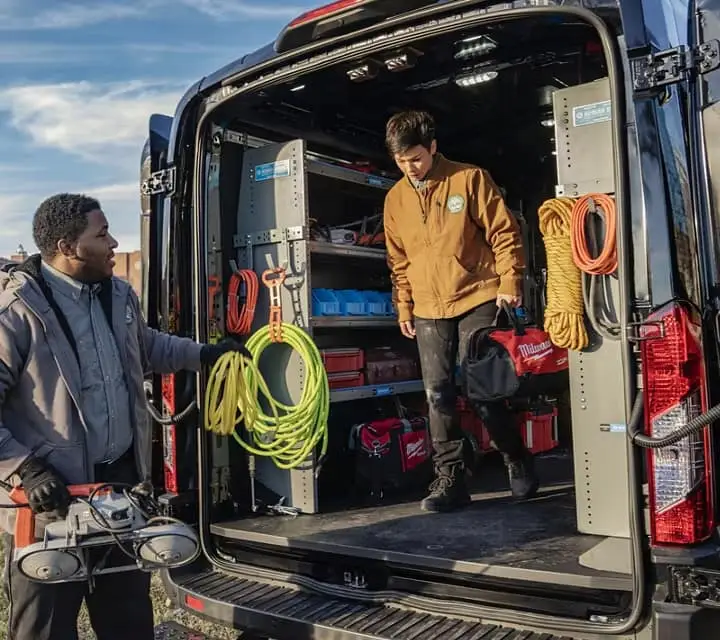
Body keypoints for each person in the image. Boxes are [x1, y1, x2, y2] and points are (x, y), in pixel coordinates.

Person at [0, 193, 247, 640]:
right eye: (102, 234)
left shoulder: (117, 294)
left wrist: (205, 355)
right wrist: (26, 470)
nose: (114, 243)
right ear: (68, 247)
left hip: (119, 494)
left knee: (128, 618)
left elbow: (147, 346)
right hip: (51, 503)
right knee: (45, 627)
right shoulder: (17, 312)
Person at [382, 110, 539, 513]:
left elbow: (504, 233)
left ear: (432, 148)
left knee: (483, 391)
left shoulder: (469, 178)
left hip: (477, 294)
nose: (409, 167)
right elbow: (397, 259)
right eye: (401, 161)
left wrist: (510, 282)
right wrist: (404, 303)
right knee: (437, 395)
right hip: (428, 305)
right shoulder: (395, 199)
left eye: (415, 158)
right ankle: (450, 478)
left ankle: (516, 458)